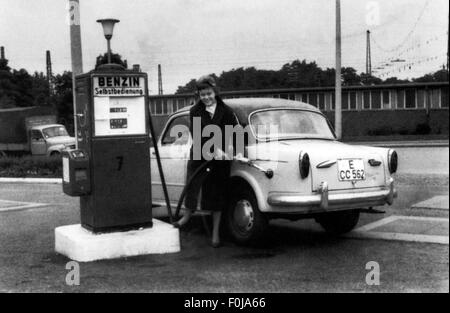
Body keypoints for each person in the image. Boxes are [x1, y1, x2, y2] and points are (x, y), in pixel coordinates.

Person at [173, 75, 240, 248]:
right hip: (200, 156)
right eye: (202, 95)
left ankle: (215, 234)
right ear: (199, 95)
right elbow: (197, 135)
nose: (206, 98)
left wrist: (232, 150)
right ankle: (187, 215)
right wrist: (213, 149)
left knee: (216, 195)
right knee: (193, 185)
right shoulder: (195, 111)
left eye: (209, 93)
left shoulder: (226, 111)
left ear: (215, 92)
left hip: (220, 160)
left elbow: (235, 132)